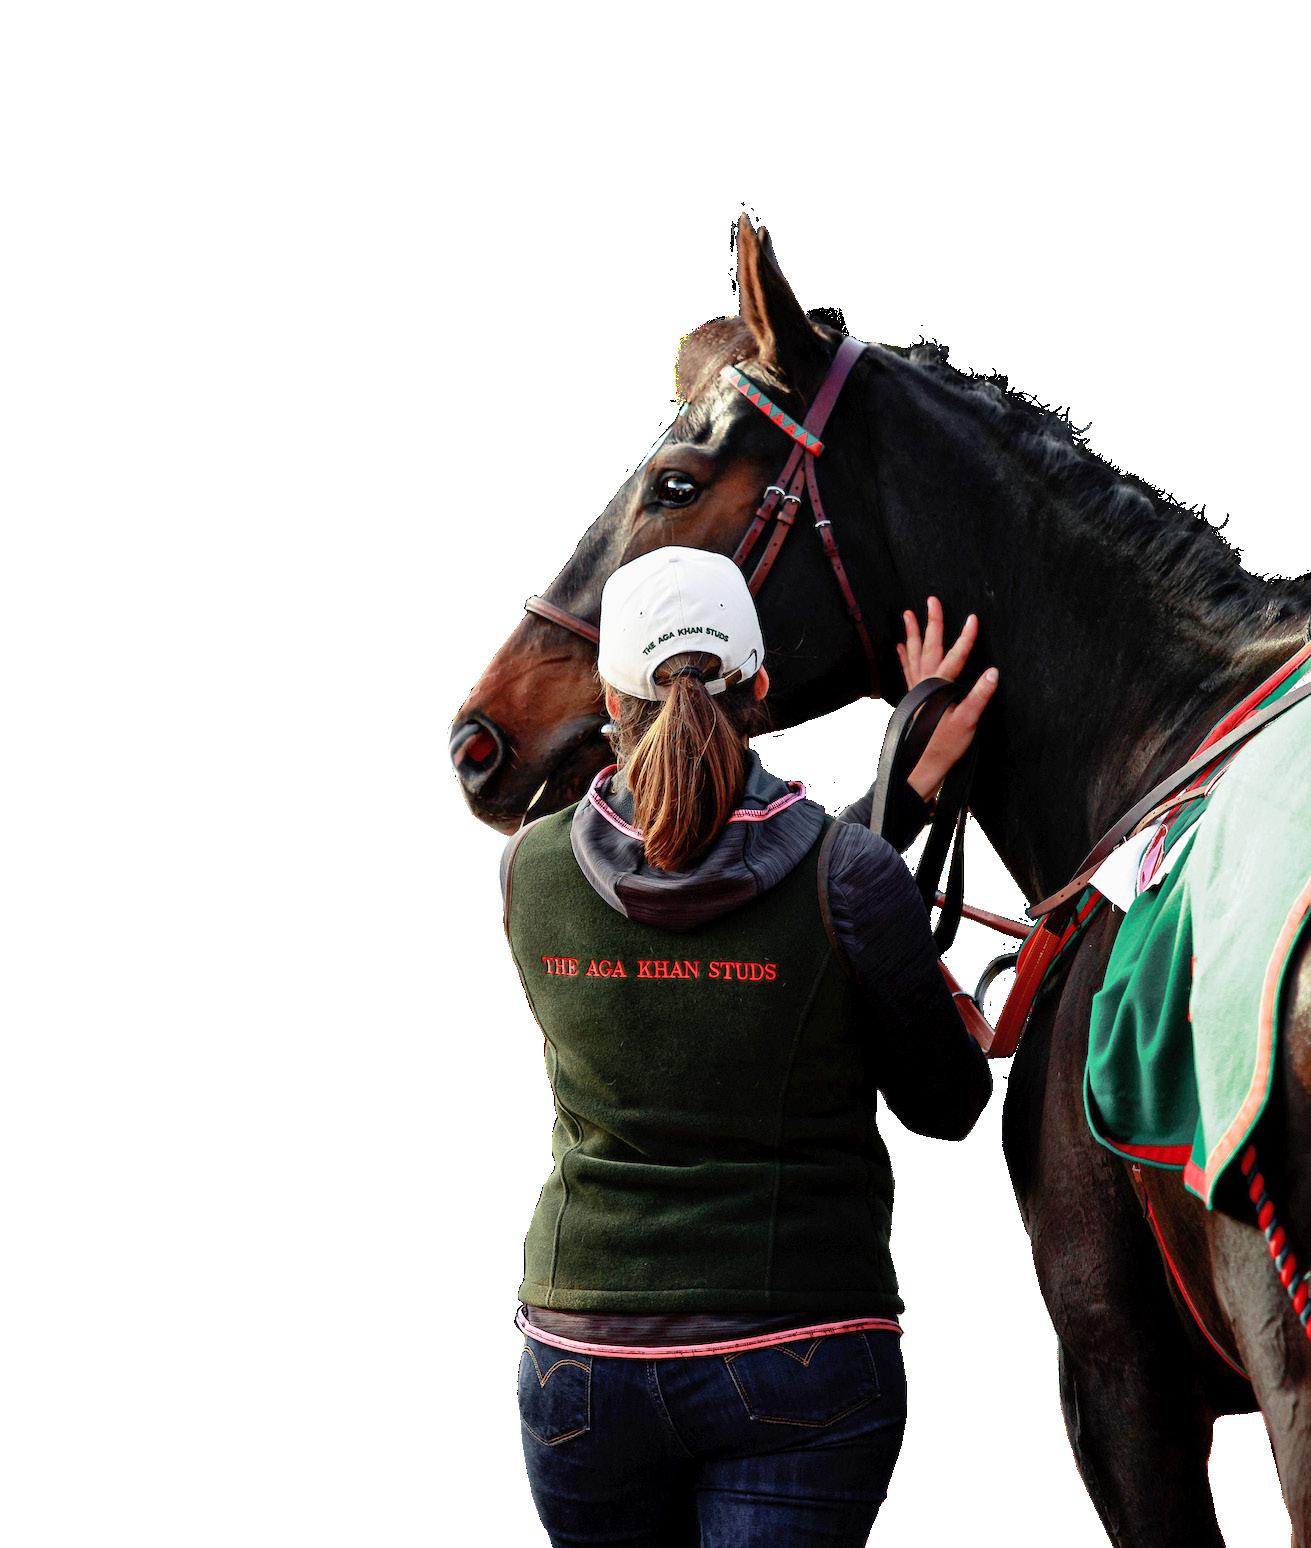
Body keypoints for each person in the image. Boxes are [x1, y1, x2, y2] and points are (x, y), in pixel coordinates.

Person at [500, 547, 998, 1547]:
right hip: (800, 1350)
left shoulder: (529, 871)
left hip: (582, 1361)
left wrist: (890, 813)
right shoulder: (850, 876)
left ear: (610, 699)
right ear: (762, 685)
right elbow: (945, 1105)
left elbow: (710, 894)